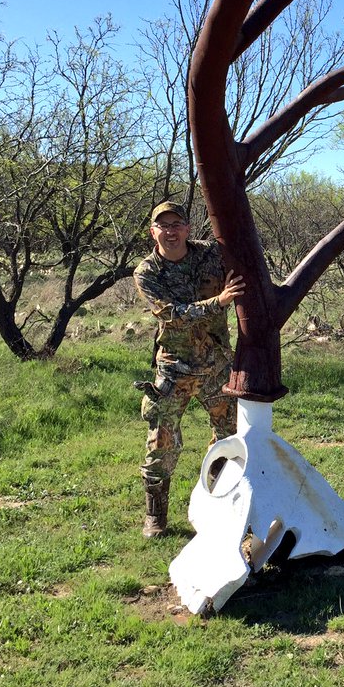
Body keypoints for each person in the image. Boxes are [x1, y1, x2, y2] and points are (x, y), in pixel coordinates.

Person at [133, 201, 245, 537]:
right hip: (175, 369)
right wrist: (219, 301)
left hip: (216, 366)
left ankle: (222, 504)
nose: (170, 232)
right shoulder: (147, 272)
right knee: (162, 441)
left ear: (187, 228)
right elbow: (171, 314)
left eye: (176, 224)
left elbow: (242, 256)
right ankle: (156, 518)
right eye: (163, 226)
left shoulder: (211, 254)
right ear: (153, 232)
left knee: (231, 437)